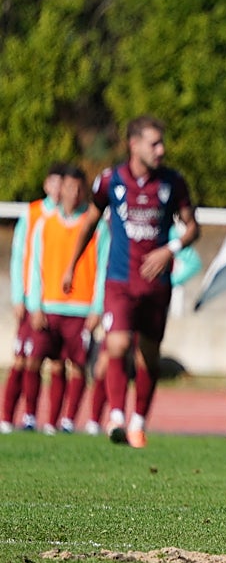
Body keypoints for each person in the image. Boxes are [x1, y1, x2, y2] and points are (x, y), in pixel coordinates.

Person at [62, 116, 200, 448]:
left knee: (148, 357)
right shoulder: (110, 181)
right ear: (133, 145)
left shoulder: (173, 183)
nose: (161, 150)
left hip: (156, 285)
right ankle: (117, 418)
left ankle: (138, 421)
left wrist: (171, 249)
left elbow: (193, 227)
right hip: (120, 280)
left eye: (162, 142)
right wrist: (72, 265)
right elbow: (91, 221)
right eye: (154, 143)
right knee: (117, 346)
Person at [24, 166, 109, 434]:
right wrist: (34, 304)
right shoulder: (44, 223)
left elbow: (104, 266)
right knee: (39, 361)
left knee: (78, 366)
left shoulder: (97, 226)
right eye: (69, 187)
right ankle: (31, 417)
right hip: (49, 306)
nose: (73, 193)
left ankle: (69, 419)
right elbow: (35, 266)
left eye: (78, 188)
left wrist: (97, 306)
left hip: (82, 308)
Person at [2, 164, 64, 433]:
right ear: (46, 185)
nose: (61, 189)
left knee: (58, 362)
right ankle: (10, 417)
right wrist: (19, 297)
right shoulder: (33, 213)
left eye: (65, 183)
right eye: (56, 182)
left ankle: (48, 420)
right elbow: (19, 257)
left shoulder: (73, 218)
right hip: (31, 300)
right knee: (22, 359)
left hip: (58, 302)